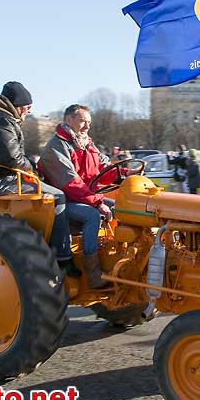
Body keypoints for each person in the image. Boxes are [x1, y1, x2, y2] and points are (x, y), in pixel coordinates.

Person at [0, 81, 73, 267]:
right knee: (58, 196)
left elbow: (11, 155)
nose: (28, 111)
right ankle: (62, 256)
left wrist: (32, 169)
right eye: (28, 107)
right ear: (18, 105)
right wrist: (34, 171)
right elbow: (11, 158)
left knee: (50, 189)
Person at [38, 104, 114, 288]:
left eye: (89, 122)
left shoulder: (87, 143)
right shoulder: (56, 147)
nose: (87, 126)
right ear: (68, 120)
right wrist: (97, 203)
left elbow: (103, 169)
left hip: (85, 196)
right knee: (92, 215)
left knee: (122, 208)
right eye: (82, 121)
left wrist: (126, 173)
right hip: (64, 201)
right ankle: (93, 272)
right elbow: (71, 183)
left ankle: (117, 259)